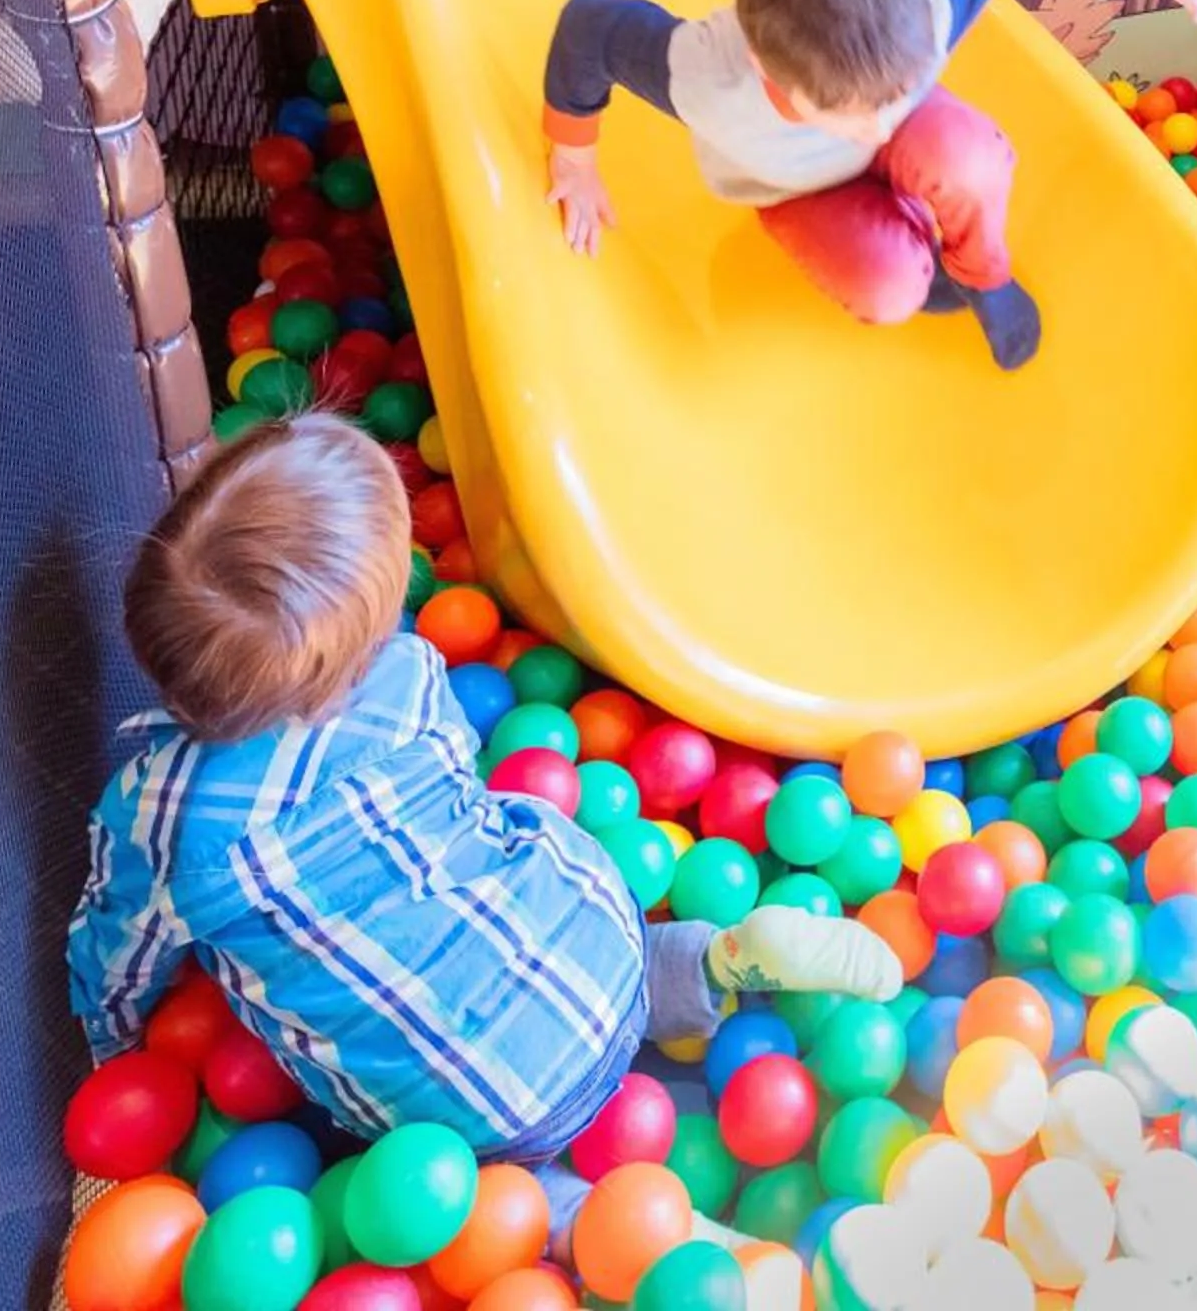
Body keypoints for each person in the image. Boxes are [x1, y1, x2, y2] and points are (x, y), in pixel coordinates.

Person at [65, 414, 901, 1255]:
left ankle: (646, 1238)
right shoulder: (407, 674)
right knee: (543, 889)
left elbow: (117, 954)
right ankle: (724, 957)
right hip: (595, 945)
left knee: (486, 1194)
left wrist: (115, 1039)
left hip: (482, 1105)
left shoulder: (156, 818)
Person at [541, 0, 1197, 369]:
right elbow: (589, 24)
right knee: (886, 288)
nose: (874, 128)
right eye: (853, 113)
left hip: (920, 145)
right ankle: (917, 273)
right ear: (766, 67)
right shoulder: (708, 80)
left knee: (968, 157)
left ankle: (981, 273)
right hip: (793, 188)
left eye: (893, 95)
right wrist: (574, 157)